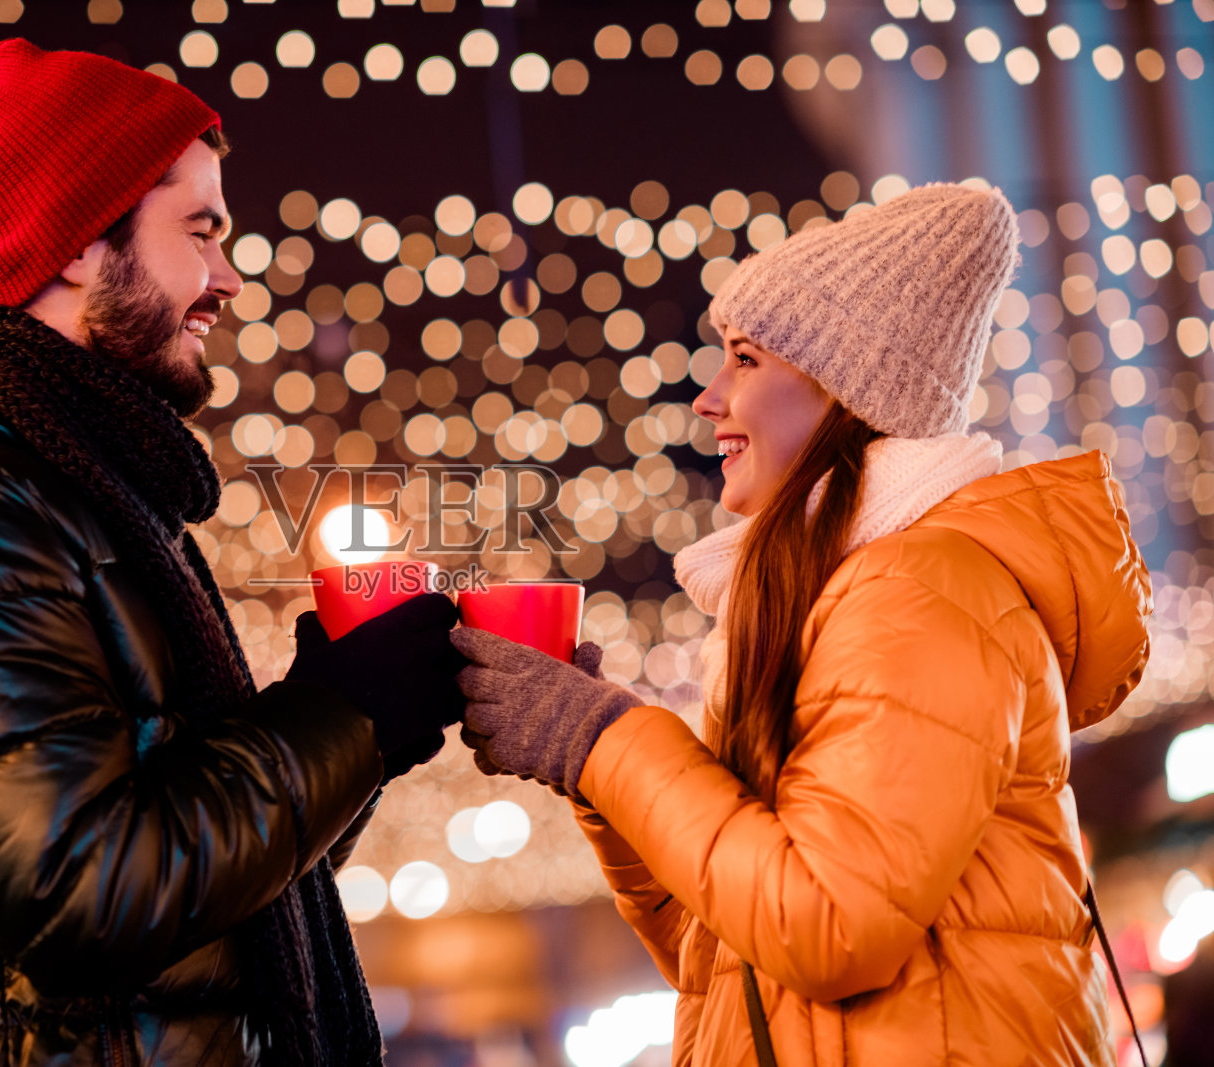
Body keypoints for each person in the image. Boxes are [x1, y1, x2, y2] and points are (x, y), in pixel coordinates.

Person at [0, 39, 462, 1067]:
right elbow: (90, 895)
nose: (228, 279)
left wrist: (359, 727)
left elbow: (208, 915)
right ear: (75, 242)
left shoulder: (79, 496)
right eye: (200, 231)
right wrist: (344, 714)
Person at [451, 184, 1151, 1065]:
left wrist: (605, 738)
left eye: (745, 358)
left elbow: (828, 927)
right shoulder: (830, 597)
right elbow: (727, 952)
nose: (708, 399)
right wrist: (594, 770)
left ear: (847, 389)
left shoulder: (919, 591)